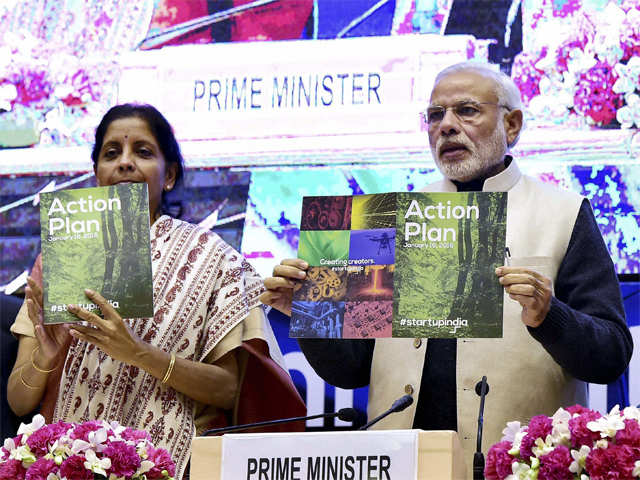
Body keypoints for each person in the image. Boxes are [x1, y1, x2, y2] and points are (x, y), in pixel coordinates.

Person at [260, 61, 632, 477]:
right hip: (401, 464)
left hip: (516, 467)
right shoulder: (392, 219)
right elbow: (350, 370)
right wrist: (309, 314)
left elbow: (611, 355)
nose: (447, 126)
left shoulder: (563, 213)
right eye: (435, 115)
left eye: (467, 110)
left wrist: (551, 316)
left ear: (511, 124)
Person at [7, 103, 305, 480]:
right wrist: (46, 357)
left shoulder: (213, 258)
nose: (125, 163)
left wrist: (139, 353)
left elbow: (231, 389)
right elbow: (19, 401)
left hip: (169, 466)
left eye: (143, 152)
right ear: (97, 173)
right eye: (111, 153)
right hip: (65, 466)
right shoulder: (59, 259)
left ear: (169, 176)